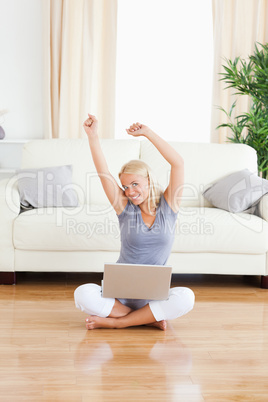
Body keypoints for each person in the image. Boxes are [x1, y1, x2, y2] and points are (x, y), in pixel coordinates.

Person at [74, 114, 195, 330]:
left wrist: (147, 133)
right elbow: (103, 173)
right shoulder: (125, 209)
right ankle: (145, 318)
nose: (130, 192)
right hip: (119, 297)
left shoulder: (170, 206)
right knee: (82, 293)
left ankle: (118, 323)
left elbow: (178, 163)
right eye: (125, 187)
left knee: (186, 297)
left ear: (149, 180)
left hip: (153, 298)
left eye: (135, 184)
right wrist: (93, 137)